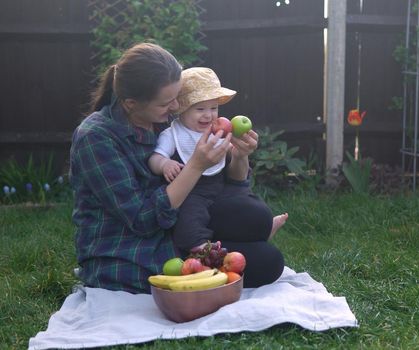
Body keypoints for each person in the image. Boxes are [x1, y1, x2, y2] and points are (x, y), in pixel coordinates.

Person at [69, 43, 285, 294]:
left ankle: (240, 240)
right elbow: (142, 220)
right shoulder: (95, 138)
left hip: (184, 220)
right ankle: (229, 247)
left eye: (176, 99)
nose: (174, 108)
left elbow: (229, 183)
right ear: (130, 103)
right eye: (165, 103)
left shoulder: (166, 120)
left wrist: (239, 156)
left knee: (257, 218)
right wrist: (195, 165)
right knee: (269, 261)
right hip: (132, 249)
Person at [148, 66, 288, 257]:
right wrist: (165, 164)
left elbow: (234, 169)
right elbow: (155, 157)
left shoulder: (220, 130)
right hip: (192, 193)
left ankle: (263, 227)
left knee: (245, 198)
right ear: (181, 109)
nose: (209, 115)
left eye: (214, 108)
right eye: (200, 109)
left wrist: (239, 152)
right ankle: (201, 248)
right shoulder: (172, 134)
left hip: (221, 187)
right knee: (189, 219)